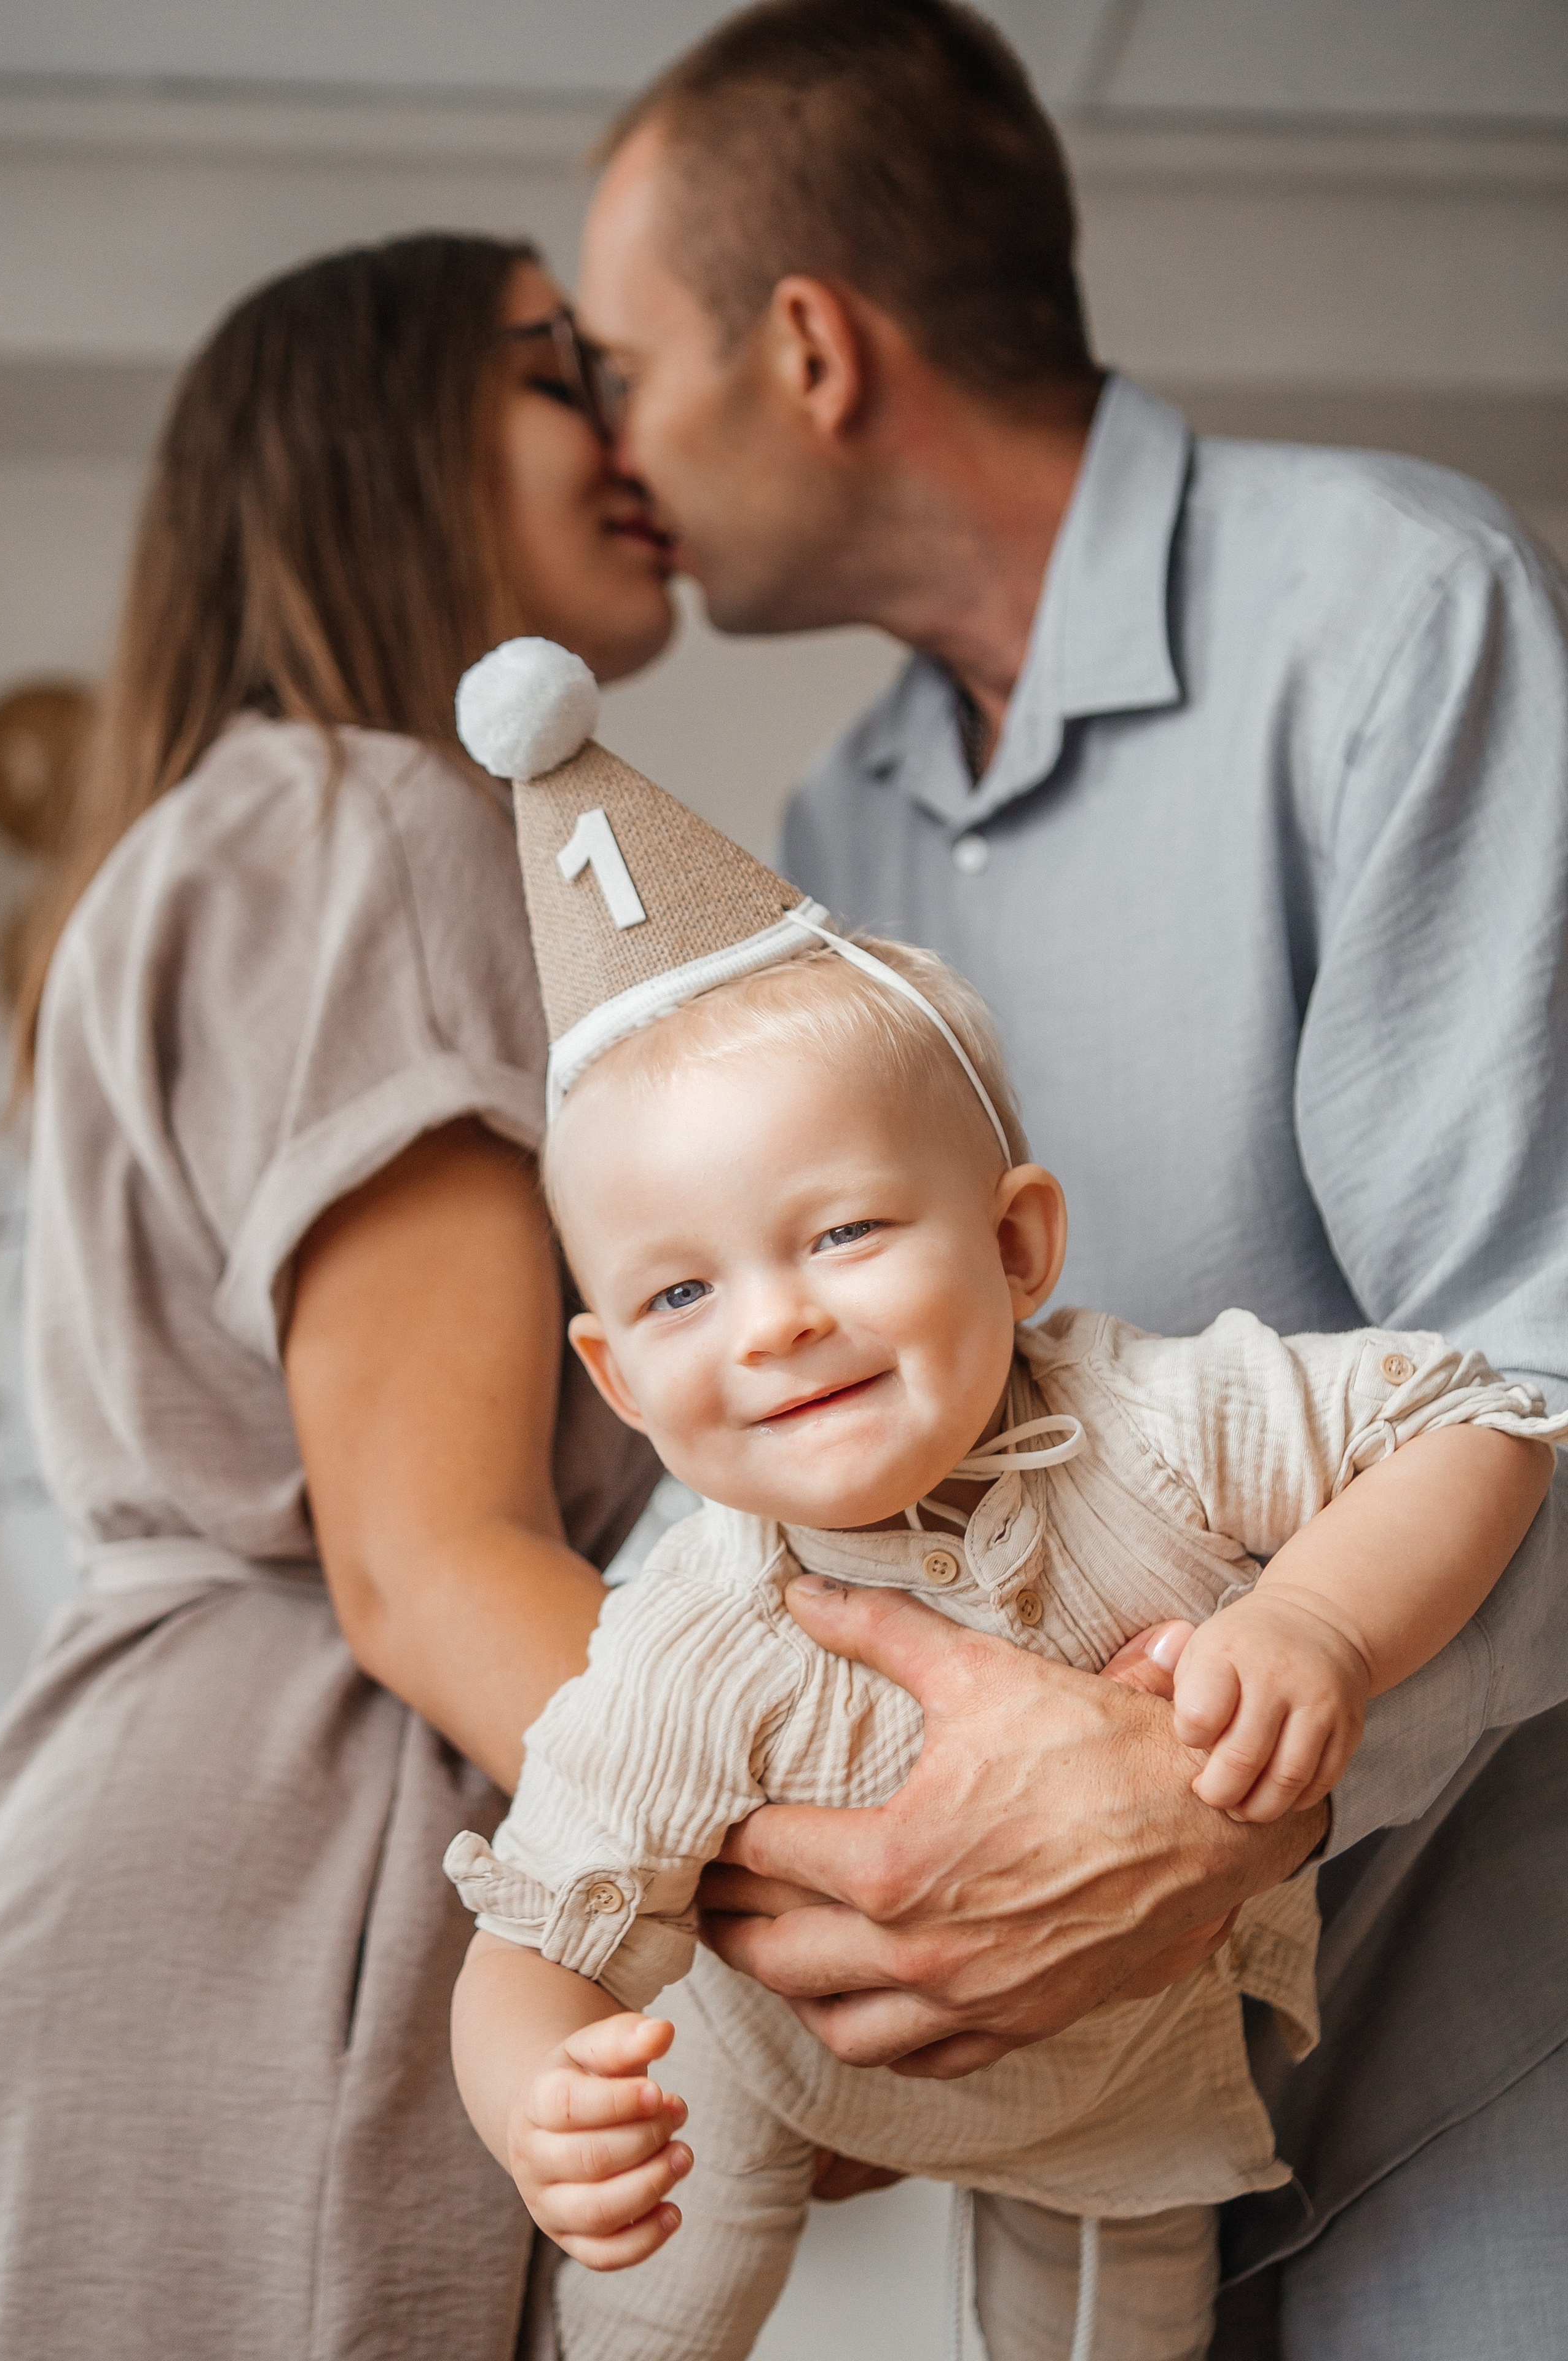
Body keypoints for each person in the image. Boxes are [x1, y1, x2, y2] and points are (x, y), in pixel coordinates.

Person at [573, 2, 1568, 2350]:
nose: (618, 454)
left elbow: (1545, 1357)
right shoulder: (830, 838)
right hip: (1065, 2121)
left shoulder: (1399, 622)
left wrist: (1204, 1796)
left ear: (807, 349)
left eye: (621, 367)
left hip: (1477, 2049)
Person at [434, 645, 1559, 2361]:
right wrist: (542, 2101)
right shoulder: (682, 1644)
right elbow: (535, 1939)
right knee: (655, 2314)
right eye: (680, 1297)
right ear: (615, 1379)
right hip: (759, 2071)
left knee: (1117, 2329)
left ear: (1016, 1243)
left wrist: (1319, 1616)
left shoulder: (1162, 1423)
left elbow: (1482, 1420)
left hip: (1115, 2090)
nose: (779, 1319)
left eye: (842, 1233)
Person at [0, 234, 674, 2361]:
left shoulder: (242, 829)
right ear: (384, 426)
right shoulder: (378, 829)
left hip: (197, 1852)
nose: (633, 416)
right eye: (567, 363)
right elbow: (426, 1556)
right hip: (299, 1868)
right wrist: (871, 1879)